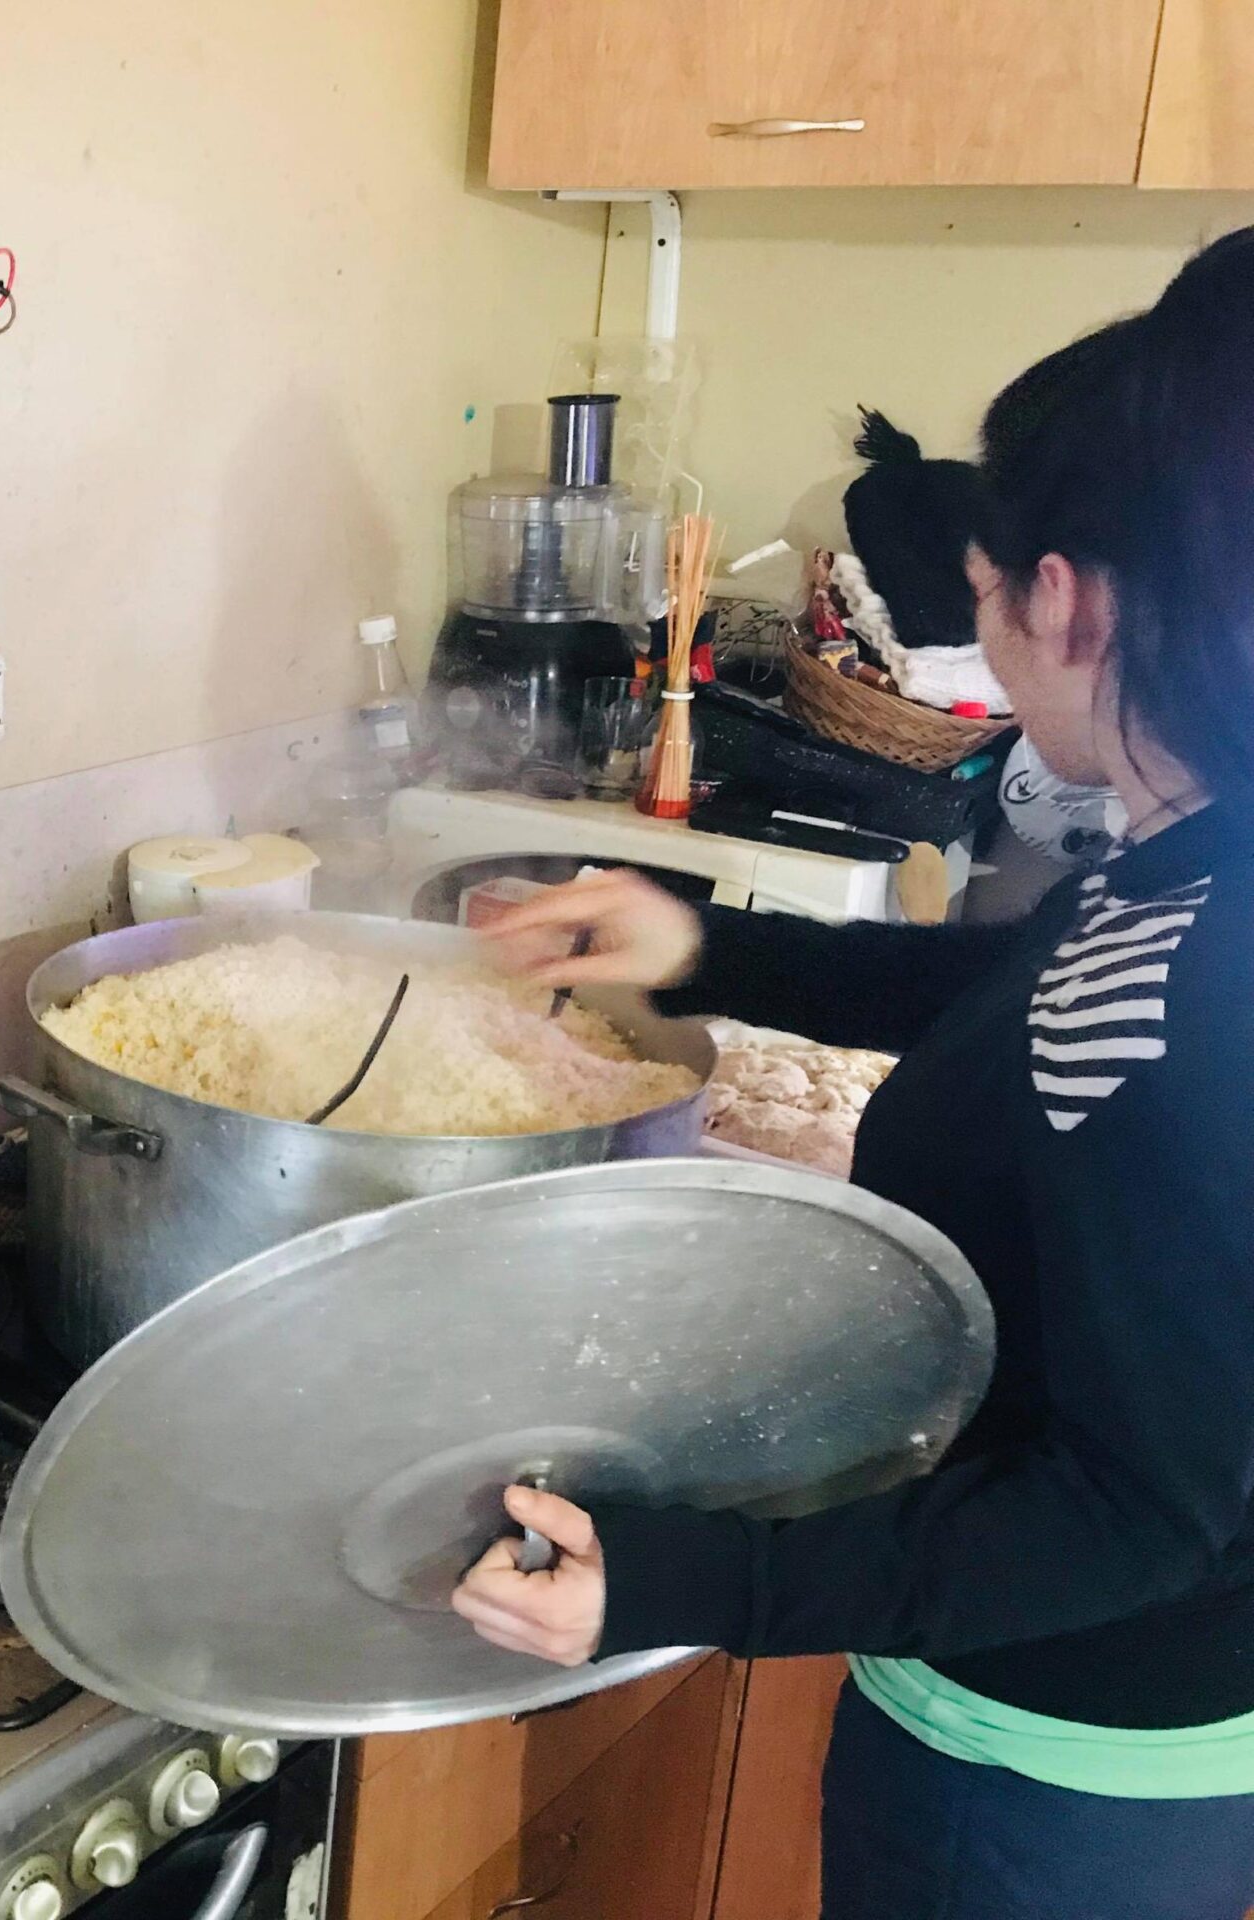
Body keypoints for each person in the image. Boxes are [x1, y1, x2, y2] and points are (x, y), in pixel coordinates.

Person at [455, 228, 1254, 1919]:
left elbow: (1135, 1510)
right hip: (1123, 1717)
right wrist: (702, 943)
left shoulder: (1199, 986)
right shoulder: (1204, 864)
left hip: (1045, 1767)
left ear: (1065, 598)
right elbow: (1028, 996)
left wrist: (681, 1582)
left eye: (979, 597)